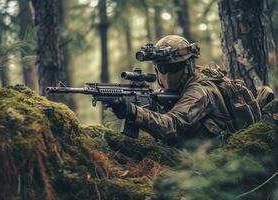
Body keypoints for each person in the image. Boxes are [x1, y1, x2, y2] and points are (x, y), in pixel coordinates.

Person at [109, 35, 261, 147]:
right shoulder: (169, 91)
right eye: (162, 69)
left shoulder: (199, 92)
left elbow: (171, 126)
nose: (167, 75)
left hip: (214, 165)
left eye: (174, 68)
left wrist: (133, 111)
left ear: (188, 66)